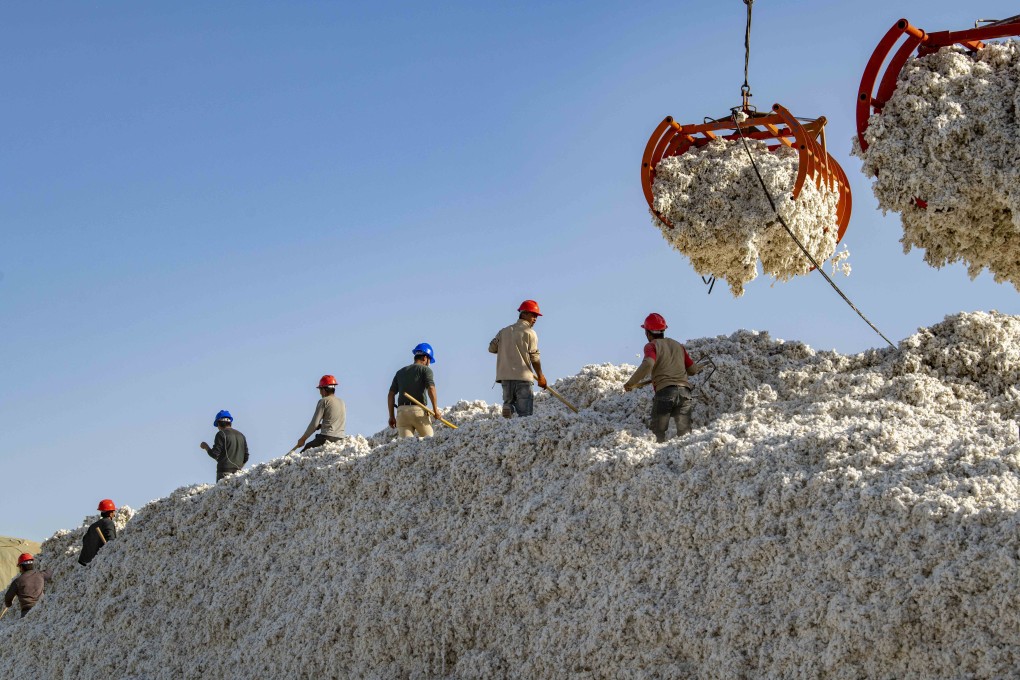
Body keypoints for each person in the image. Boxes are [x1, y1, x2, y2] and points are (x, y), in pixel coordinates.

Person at [623, 313, 706, 443]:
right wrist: (699, 366)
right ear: (663, 330)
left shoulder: (652, 346)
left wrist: (630, 383)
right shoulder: (678, 346)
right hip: (685, 393)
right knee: (685, 437)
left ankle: (655, 461)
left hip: (665, 393)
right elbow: (693, 370)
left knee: (657, 434)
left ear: (647, 332)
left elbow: (648, 363)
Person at [488, 300, 547, 418]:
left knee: (509, 404)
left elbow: (491, 348)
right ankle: (514, 412)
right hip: (523, 379)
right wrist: (540, 376)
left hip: (505, 378)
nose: (535, 319)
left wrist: (507, 348)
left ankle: (510, 407)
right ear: (523, 313)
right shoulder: (530, 333)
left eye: (536, 316)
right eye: (533, 315)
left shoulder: (503, 332)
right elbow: (534, 357)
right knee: (525, 414)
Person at [388, 343, 441, 438]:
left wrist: (391, 416)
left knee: (406, 446)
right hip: (418, 411)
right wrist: (435, 410)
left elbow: (391, 394)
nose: (429, 364)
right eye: (429, 361)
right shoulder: (425, 370)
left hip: (402, 414)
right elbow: (431, 388)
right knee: (429, 442)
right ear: (425, 358)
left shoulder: (400, 372)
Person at [296, 375, 346, 452]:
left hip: (327, 438)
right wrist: (323, 425)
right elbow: (336, 421)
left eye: (320, 390)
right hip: (341, 439)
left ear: (324, 389)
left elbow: (314, 424)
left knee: (306, 450)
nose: (320, 393)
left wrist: (303, 439)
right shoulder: (342, 402)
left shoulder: (324, 401)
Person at [200, 410, 250, 481]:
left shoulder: (221, 434)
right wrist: (238, 469)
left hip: (224, 473)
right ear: (230, 422)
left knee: (223, 491)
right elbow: (246, 457)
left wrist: (206, 447)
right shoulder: (241, 435)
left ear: (219, 423)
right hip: (238, 475)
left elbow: (214, 454)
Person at [3, 553, 51, 618]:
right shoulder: (41, 575)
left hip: (26, 613)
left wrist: (9, 604)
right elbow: (50, 572)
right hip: (42, 610)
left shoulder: (18, 581)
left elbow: (8, 598)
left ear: (21, 567)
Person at [78, 499, 118, 566]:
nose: (114, 514)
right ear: (110, 513)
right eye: (114, 511)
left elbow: (85, 539)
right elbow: (111, 540)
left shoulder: (94, 525)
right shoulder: (108, 522)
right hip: (102, 562)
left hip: (89, 562)